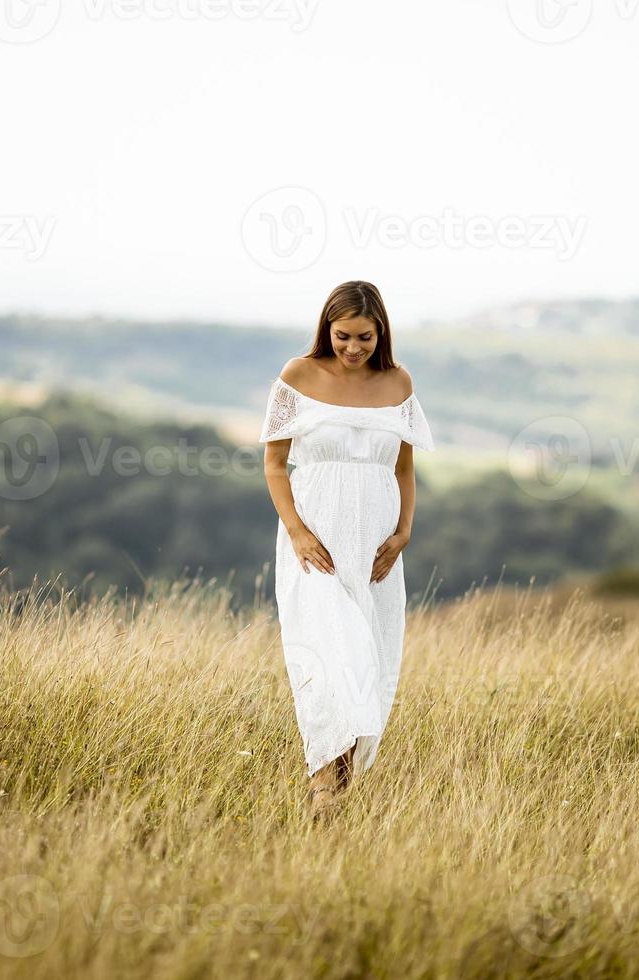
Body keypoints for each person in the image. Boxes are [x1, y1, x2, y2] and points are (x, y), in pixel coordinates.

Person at [259, 280, 434, 820]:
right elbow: (273, 464)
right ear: (325, 330)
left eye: (363, 336)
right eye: (342, 336)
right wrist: (297, 533)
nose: (353, 348)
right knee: (330, 661)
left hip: (376, 550)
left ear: (380, 331)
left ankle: (339, 795)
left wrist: (404, 532)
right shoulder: (297, 376)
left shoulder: (398, 381)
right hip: (316, 545)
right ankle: (322, 791)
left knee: (370, 665)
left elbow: (404, 467)